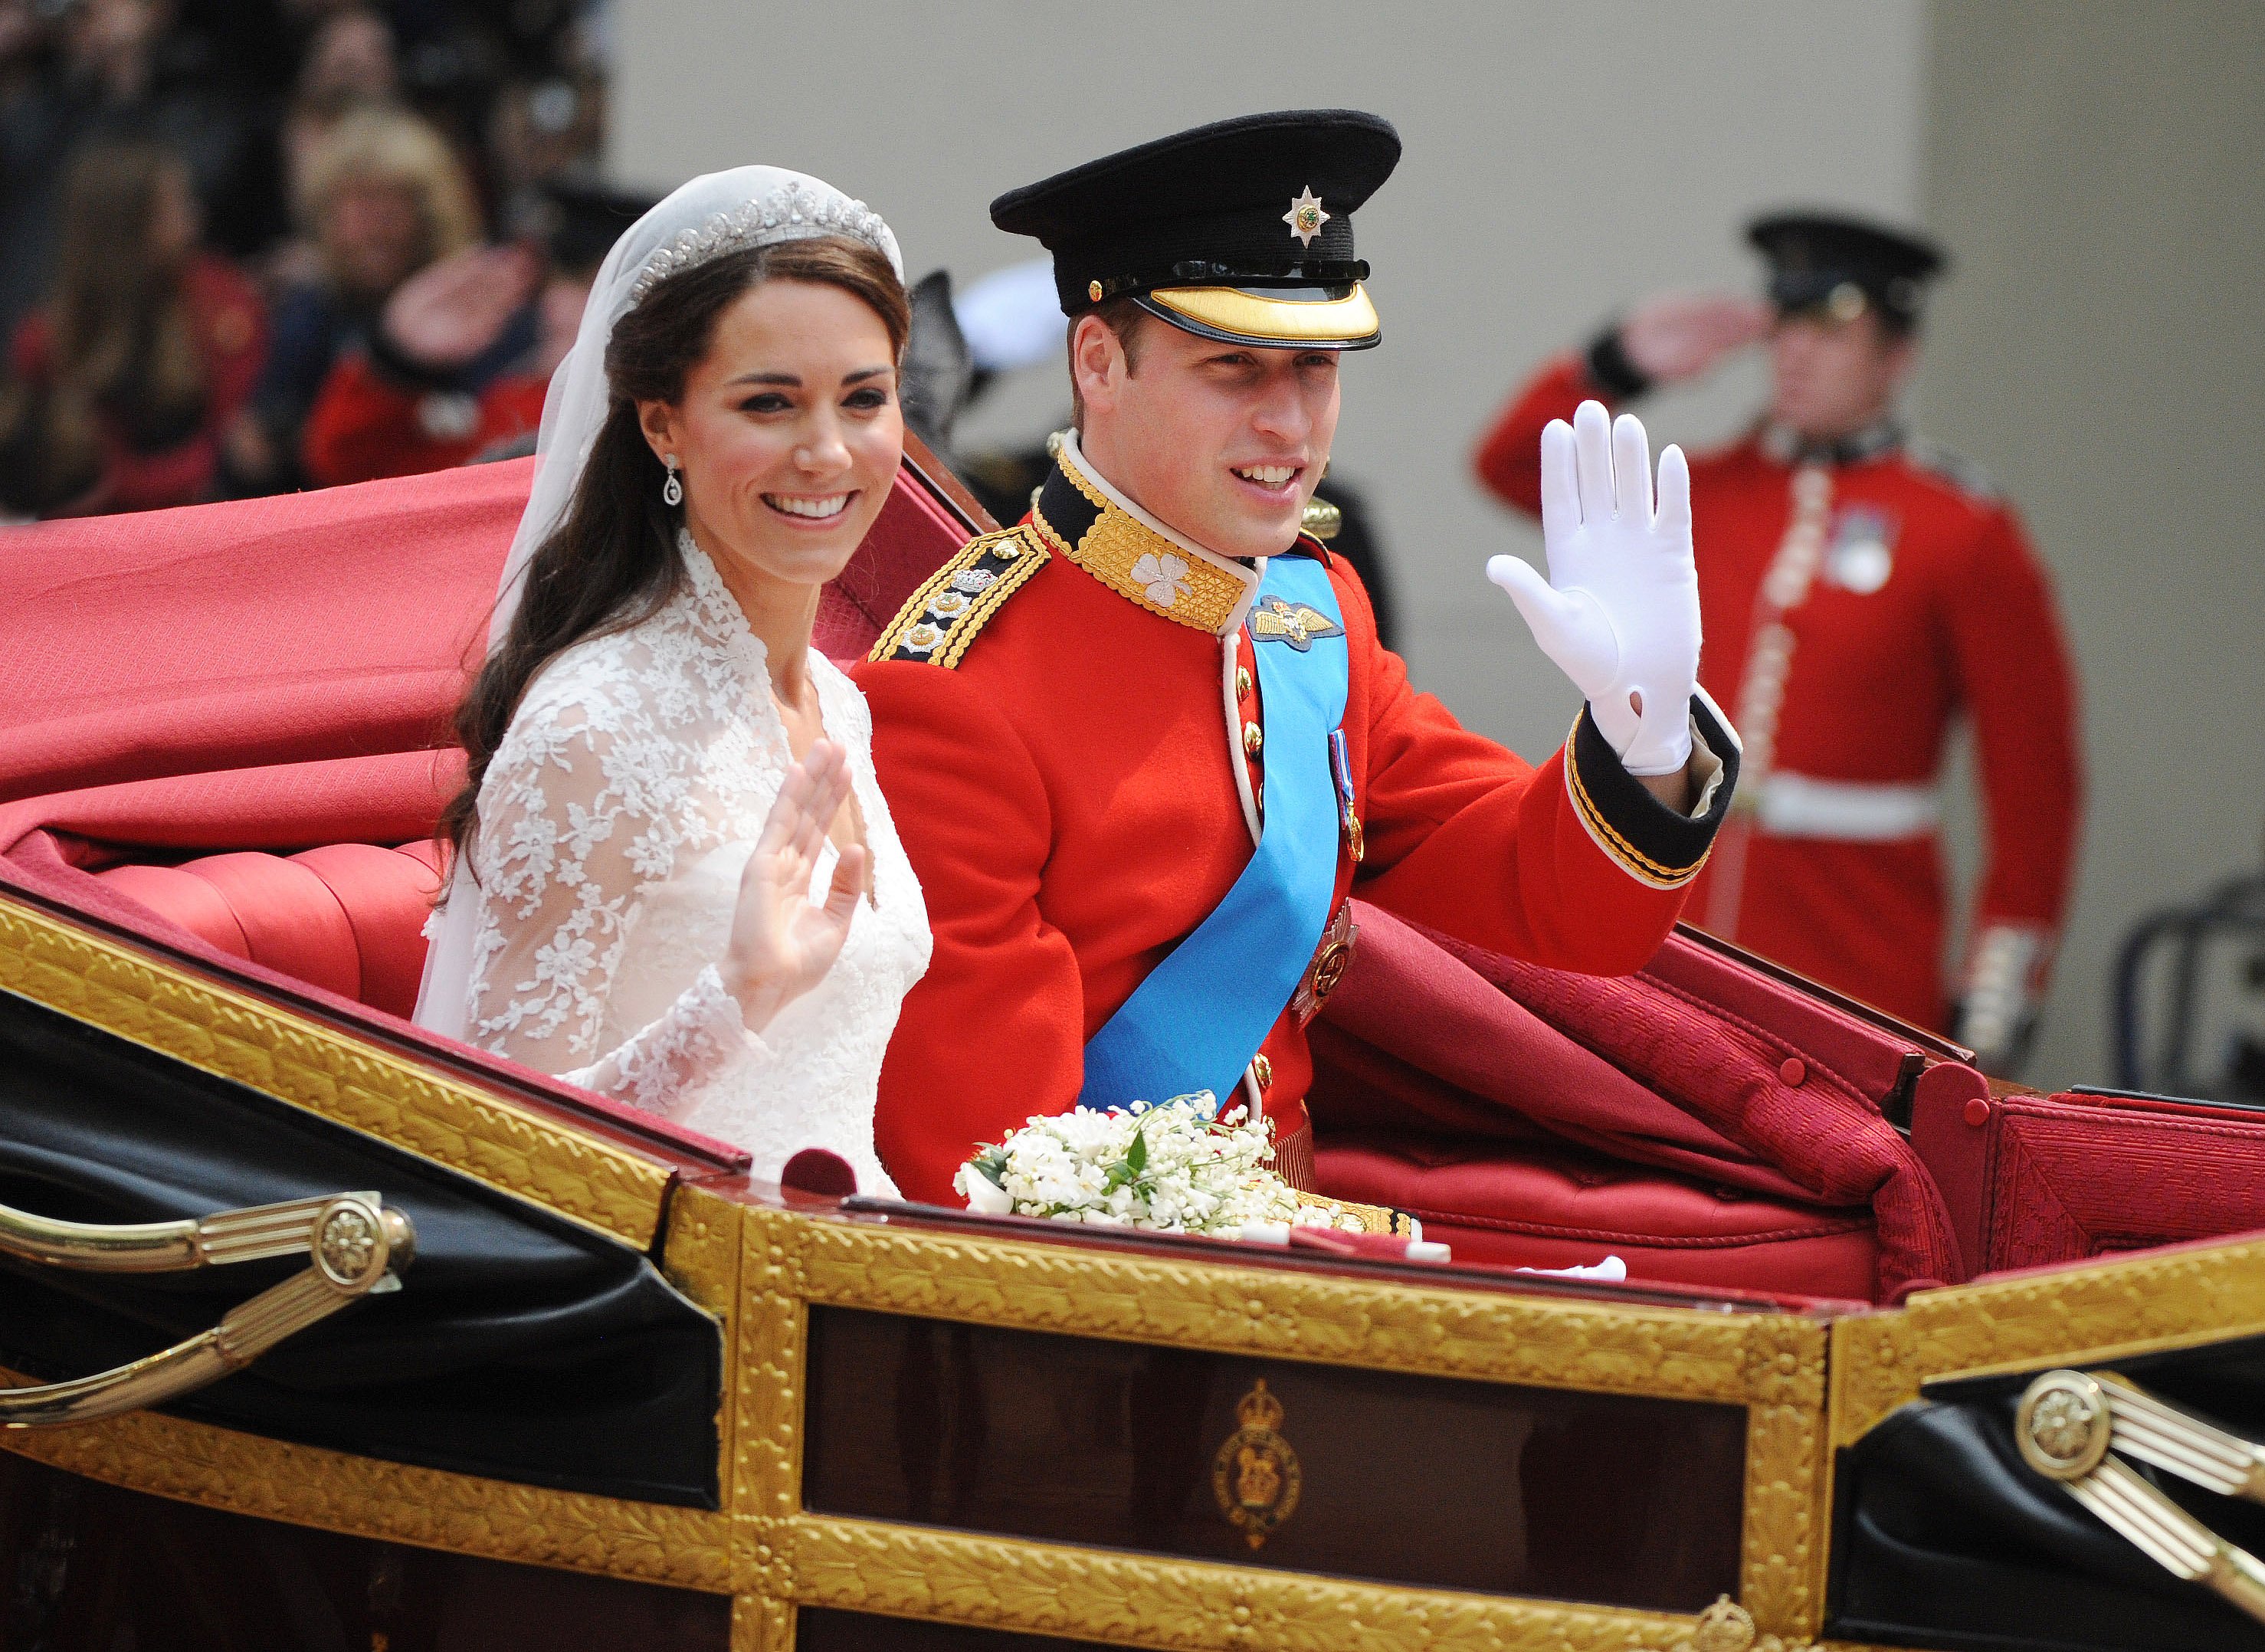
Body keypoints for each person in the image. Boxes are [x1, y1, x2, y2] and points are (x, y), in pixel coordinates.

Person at [856, 111, 1737, 1205]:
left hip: (1289, 1255)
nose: (1290, 422)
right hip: (1114, 1301)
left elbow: (1552, 904)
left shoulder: (1315, 618)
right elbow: (993, 1176)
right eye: (1234, 368)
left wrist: (1641, 733)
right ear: (1099, 363)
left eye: (1317, 369)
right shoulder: (955, 690)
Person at [413, 166, 933, 1196]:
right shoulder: (593, 723)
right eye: (769, 404)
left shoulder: (839, 703)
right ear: (663, 425)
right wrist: (733, 999)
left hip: (853, 1285)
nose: (827, 451)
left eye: (863, 399)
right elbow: (508, 1153)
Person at [1473, 213, 2082, 1070]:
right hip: (1668, 933)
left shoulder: (1961, 528)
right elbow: (1506, 462)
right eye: (1785, 323)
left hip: (1856, 956)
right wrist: (1617, 363)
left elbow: (2032, 785)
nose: (1795, 351)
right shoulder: (1702, 493)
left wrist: (1998, 988)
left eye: (1832, 329)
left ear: (1896, 355)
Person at [0, 138, 264, 516]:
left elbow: (243, 442)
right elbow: (57, 477)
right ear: (127, 228)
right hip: (94, 537)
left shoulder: (219, 299)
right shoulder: (45, 341)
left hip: (211, 517)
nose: (194, 218)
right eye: (174, 208)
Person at [225, 105, 480, 493]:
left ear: (428, 212)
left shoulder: (473, 311)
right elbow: (256, 453)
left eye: (390, 206)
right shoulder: (309, 313)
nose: (372, 230)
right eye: (356, 208)